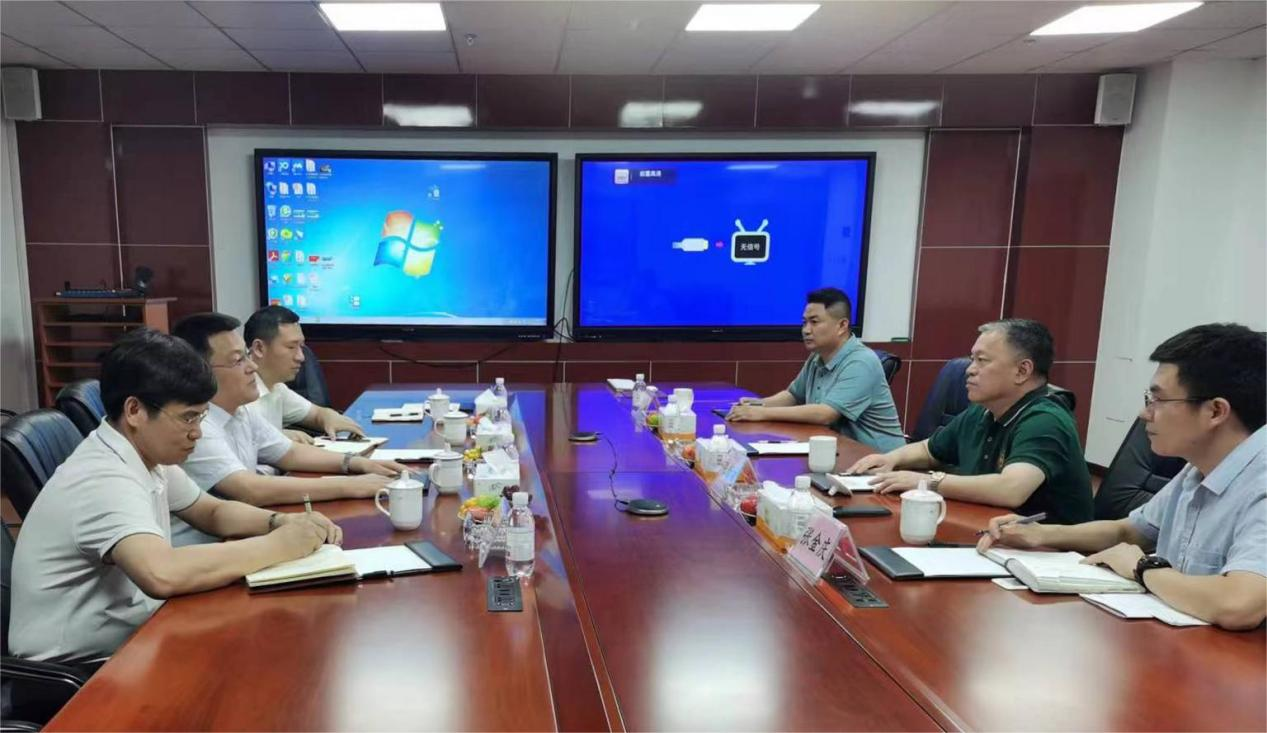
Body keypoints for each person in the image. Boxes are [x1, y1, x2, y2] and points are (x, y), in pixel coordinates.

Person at [8, 329, 341, 663]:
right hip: (79, 674)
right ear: (135, 411)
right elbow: (161, 573)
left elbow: (211, 512)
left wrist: (280, 522)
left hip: (134, 640)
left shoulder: (144, 455)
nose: (197, 432)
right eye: (188, 418)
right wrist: (280, 545)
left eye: (201, 416)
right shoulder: (102, 477)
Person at [979, 324, 1266, 630]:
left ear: (1215, 412)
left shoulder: (1259, 483)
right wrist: (1041, 534)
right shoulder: (1198, 468)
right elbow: (1129, 531)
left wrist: (1144, 568)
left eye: (1158, 401)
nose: (1144, 414)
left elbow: (1239, 605)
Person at [171, 313, 406, 544]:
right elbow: (249, 489)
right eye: (237, 360)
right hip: (202, 550)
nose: (252, 366)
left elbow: (290, 452)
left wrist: (356, 463)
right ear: (200, 372)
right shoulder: (197, 426)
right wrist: (351, 486)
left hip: (239, 537)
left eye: (246, 356)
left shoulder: (239, 410)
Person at [848, 319, 1093, 524]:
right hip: (989, 529)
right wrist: (891, 459)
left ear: (1022, 371)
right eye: (971, 359)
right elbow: (929, 449)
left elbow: (1011, 489)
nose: (970, 369)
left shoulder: (1045, 420)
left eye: (982, 361)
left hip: (1048, 553)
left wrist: (928, 481)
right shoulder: (983, 410)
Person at [726, 287, 905, 452]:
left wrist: (761, 413)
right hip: (836, 450)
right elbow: (793, 395)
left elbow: (826, 414)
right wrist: (758, 404)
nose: (806, 330)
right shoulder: (818, 356)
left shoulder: (861, 362)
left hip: (879, 460)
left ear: (842, 326)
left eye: (814, 322)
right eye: (804, 323)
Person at [243, 305, 364, 444]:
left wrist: (329, 418)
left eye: (301, 346)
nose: (301, 357)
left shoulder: (276, 387)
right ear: (259, 348)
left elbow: (317, 413)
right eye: (291, 347)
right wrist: (279, 437)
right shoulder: (238, 395)